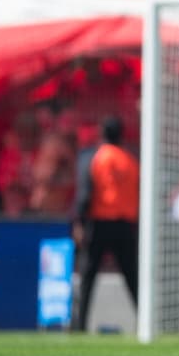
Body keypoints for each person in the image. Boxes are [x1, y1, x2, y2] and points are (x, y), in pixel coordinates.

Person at [72, 115, 140, 331]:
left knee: (88, 276)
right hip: (126, 225)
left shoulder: (97, 158)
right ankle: (145, 319)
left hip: (100, 222)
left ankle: (80, 324)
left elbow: (86, 193)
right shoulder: (131, 161)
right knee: (131, 276)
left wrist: (79, 221)